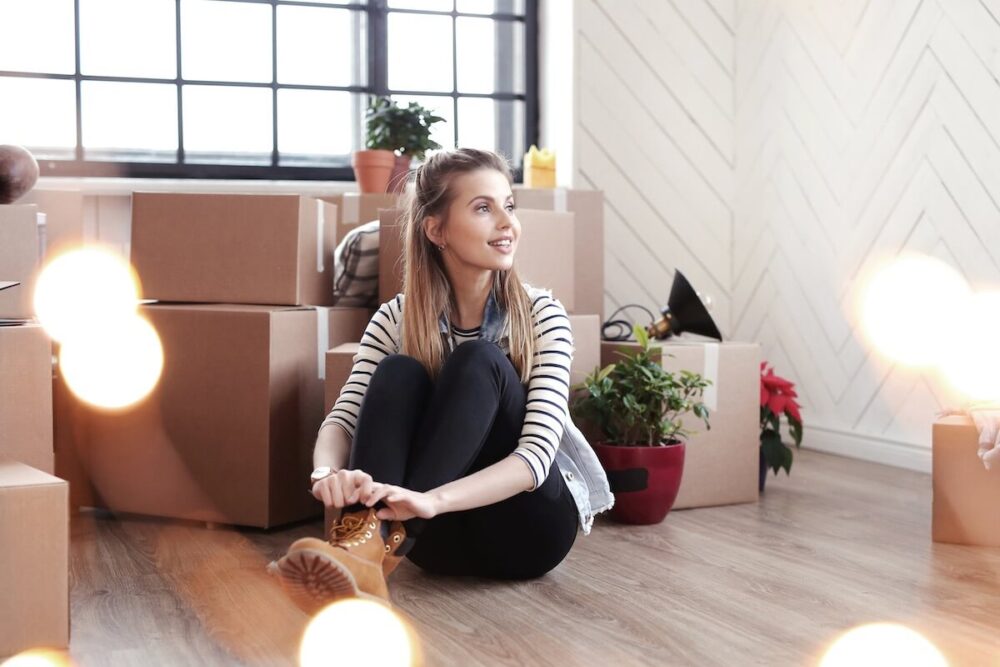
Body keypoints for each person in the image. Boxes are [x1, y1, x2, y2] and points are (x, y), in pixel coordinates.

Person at [269, 147, 613, 614]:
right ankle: (363, 550)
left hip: (527, 532)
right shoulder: (396, 319)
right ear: (436, 230)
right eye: (483, 208)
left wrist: (430, 500)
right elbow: (343, 420)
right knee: (399, 371)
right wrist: (326, 473)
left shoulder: (541, 316)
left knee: (479, 361)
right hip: (435, 544)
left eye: (508, 205)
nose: (507, 223)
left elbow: (534, 460)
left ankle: (368, 549)